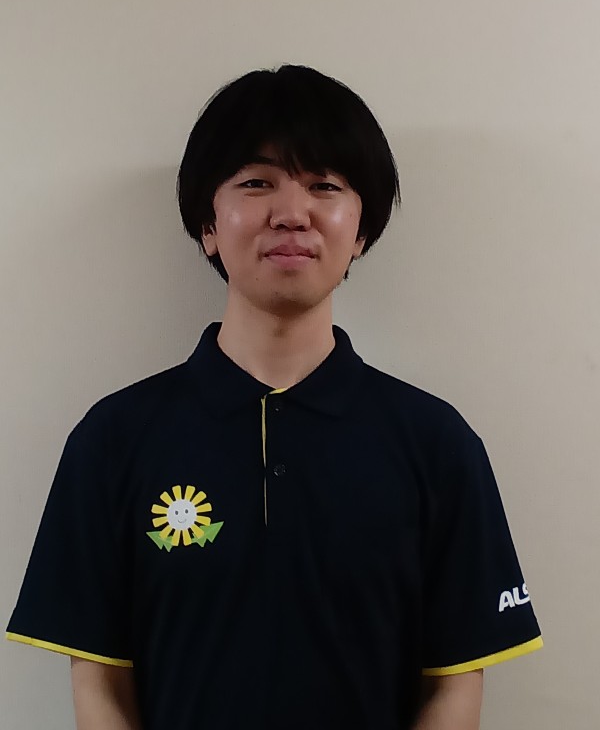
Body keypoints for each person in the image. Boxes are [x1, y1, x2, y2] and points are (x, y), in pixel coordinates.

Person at [6, 64, 543, 730]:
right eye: (257, 182)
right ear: (208, 224)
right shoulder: (113, 439)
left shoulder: (436, 444)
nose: (292, 213)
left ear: (362, 231)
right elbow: (100, 684)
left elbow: (454, 686)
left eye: (325, 185)